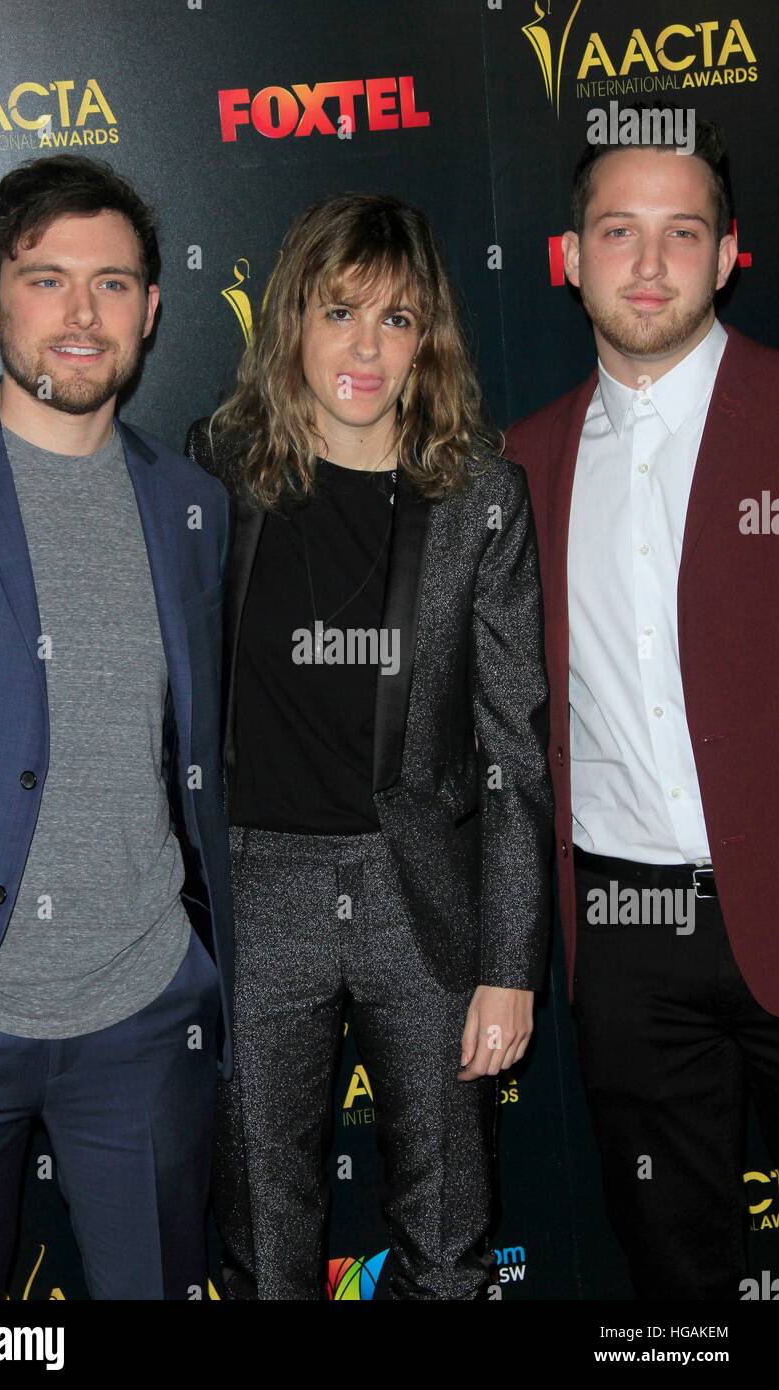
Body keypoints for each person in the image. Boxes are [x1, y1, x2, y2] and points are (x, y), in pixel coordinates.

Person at [186, 192, 553, 1300]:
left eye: (395, 321)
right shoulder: (218, 471)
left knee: (447, 1248)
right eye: (340, 311)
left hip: (420, 895)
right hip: (259, 889)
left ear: (425, 341)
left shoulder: (478, 495)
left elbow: (514, 743)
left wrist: (508, 962)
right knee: (264, 1242)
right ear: (294, 315)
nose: (363, 347)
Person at [0, 154, 233, 1299]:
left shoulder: (193, 504)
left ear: (151, 308)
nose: (81, 314)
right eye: (46, 280)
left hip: (144, 1015)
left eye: (112, 283)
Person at [504, 108, 779, 1300]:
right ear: (569, 258)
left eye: (683, 232)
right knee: (673, 1276)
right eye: (618, 231)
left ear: (727, 255)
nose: (651, 264)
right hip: (623, 936)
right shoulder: (516, 465)